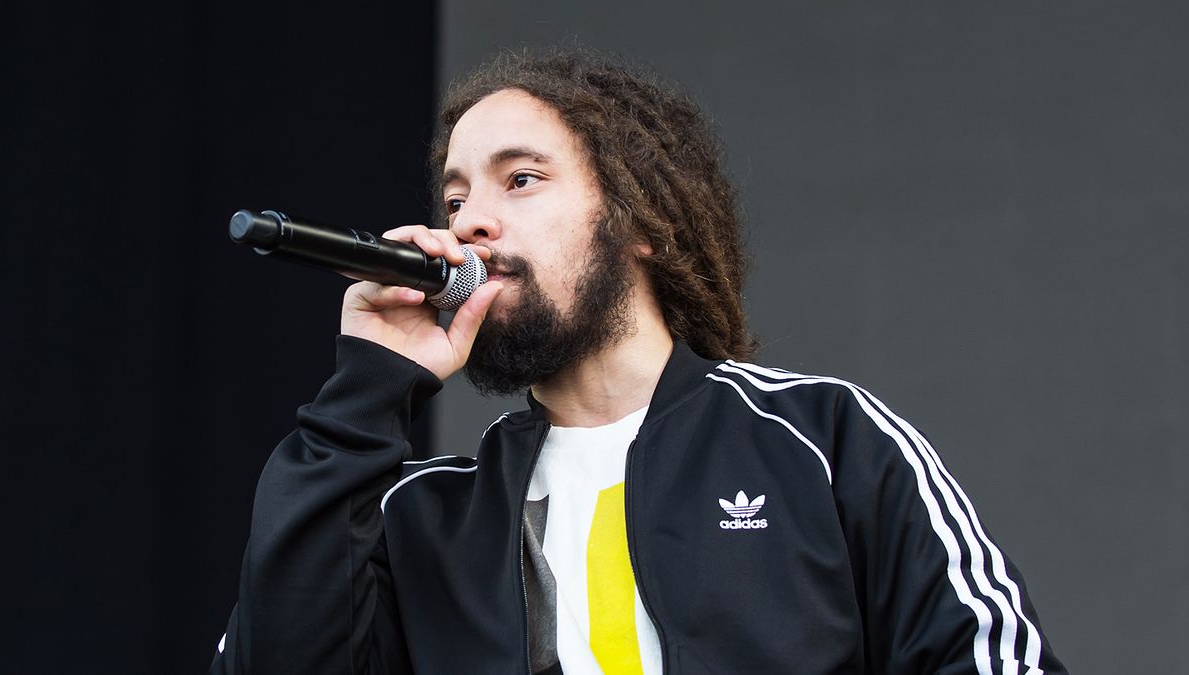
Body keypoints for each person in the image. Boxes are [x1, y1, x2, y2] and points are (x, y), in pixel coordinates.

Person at [211, 49, 1068, 674]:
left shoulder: (823, 440)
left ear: (639, 222)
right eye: (456, 195)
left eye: (520, 180)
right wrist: (366, 387)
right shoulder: (418, 516)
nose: (468, 220)